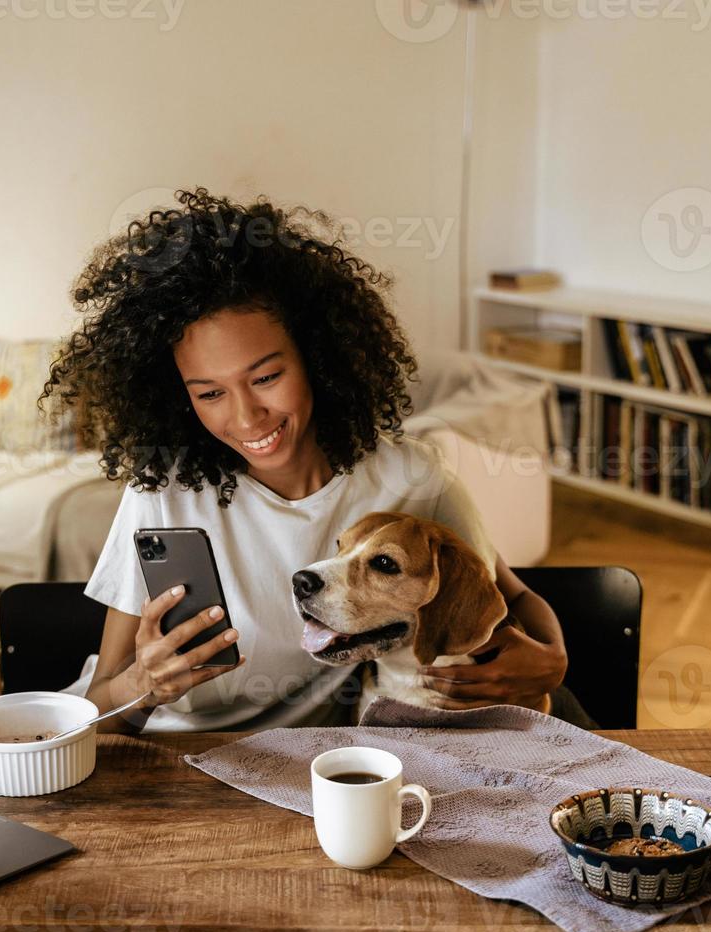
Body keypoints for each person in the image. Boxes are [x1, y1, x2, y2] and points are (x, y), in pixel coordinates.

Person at [39, 188, 569, 733]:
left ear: (318, 356)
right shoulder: (163, 493)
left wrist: (554, 658)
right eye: (209, 393)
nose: (247, 419)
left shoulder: (413, 480)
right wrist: (141, 687)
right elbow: (101, 712)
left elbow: (512, 597)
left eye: (267, 377)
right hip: (171, 762)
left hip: (316, 765)